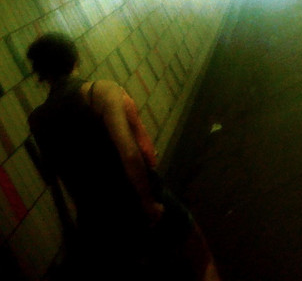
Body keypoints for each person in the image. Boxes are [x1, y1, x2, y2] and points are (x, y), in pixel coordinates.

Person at [27, 32, 220, 281]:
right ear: (75, 58)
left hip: (96, 220)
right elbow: (129, 152)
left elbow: (53, 178)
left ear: (41, 74)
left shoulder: (37, 119)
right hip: (133, 198)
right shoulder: (99, 92)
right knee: (198, 254)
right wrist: (147, 201)